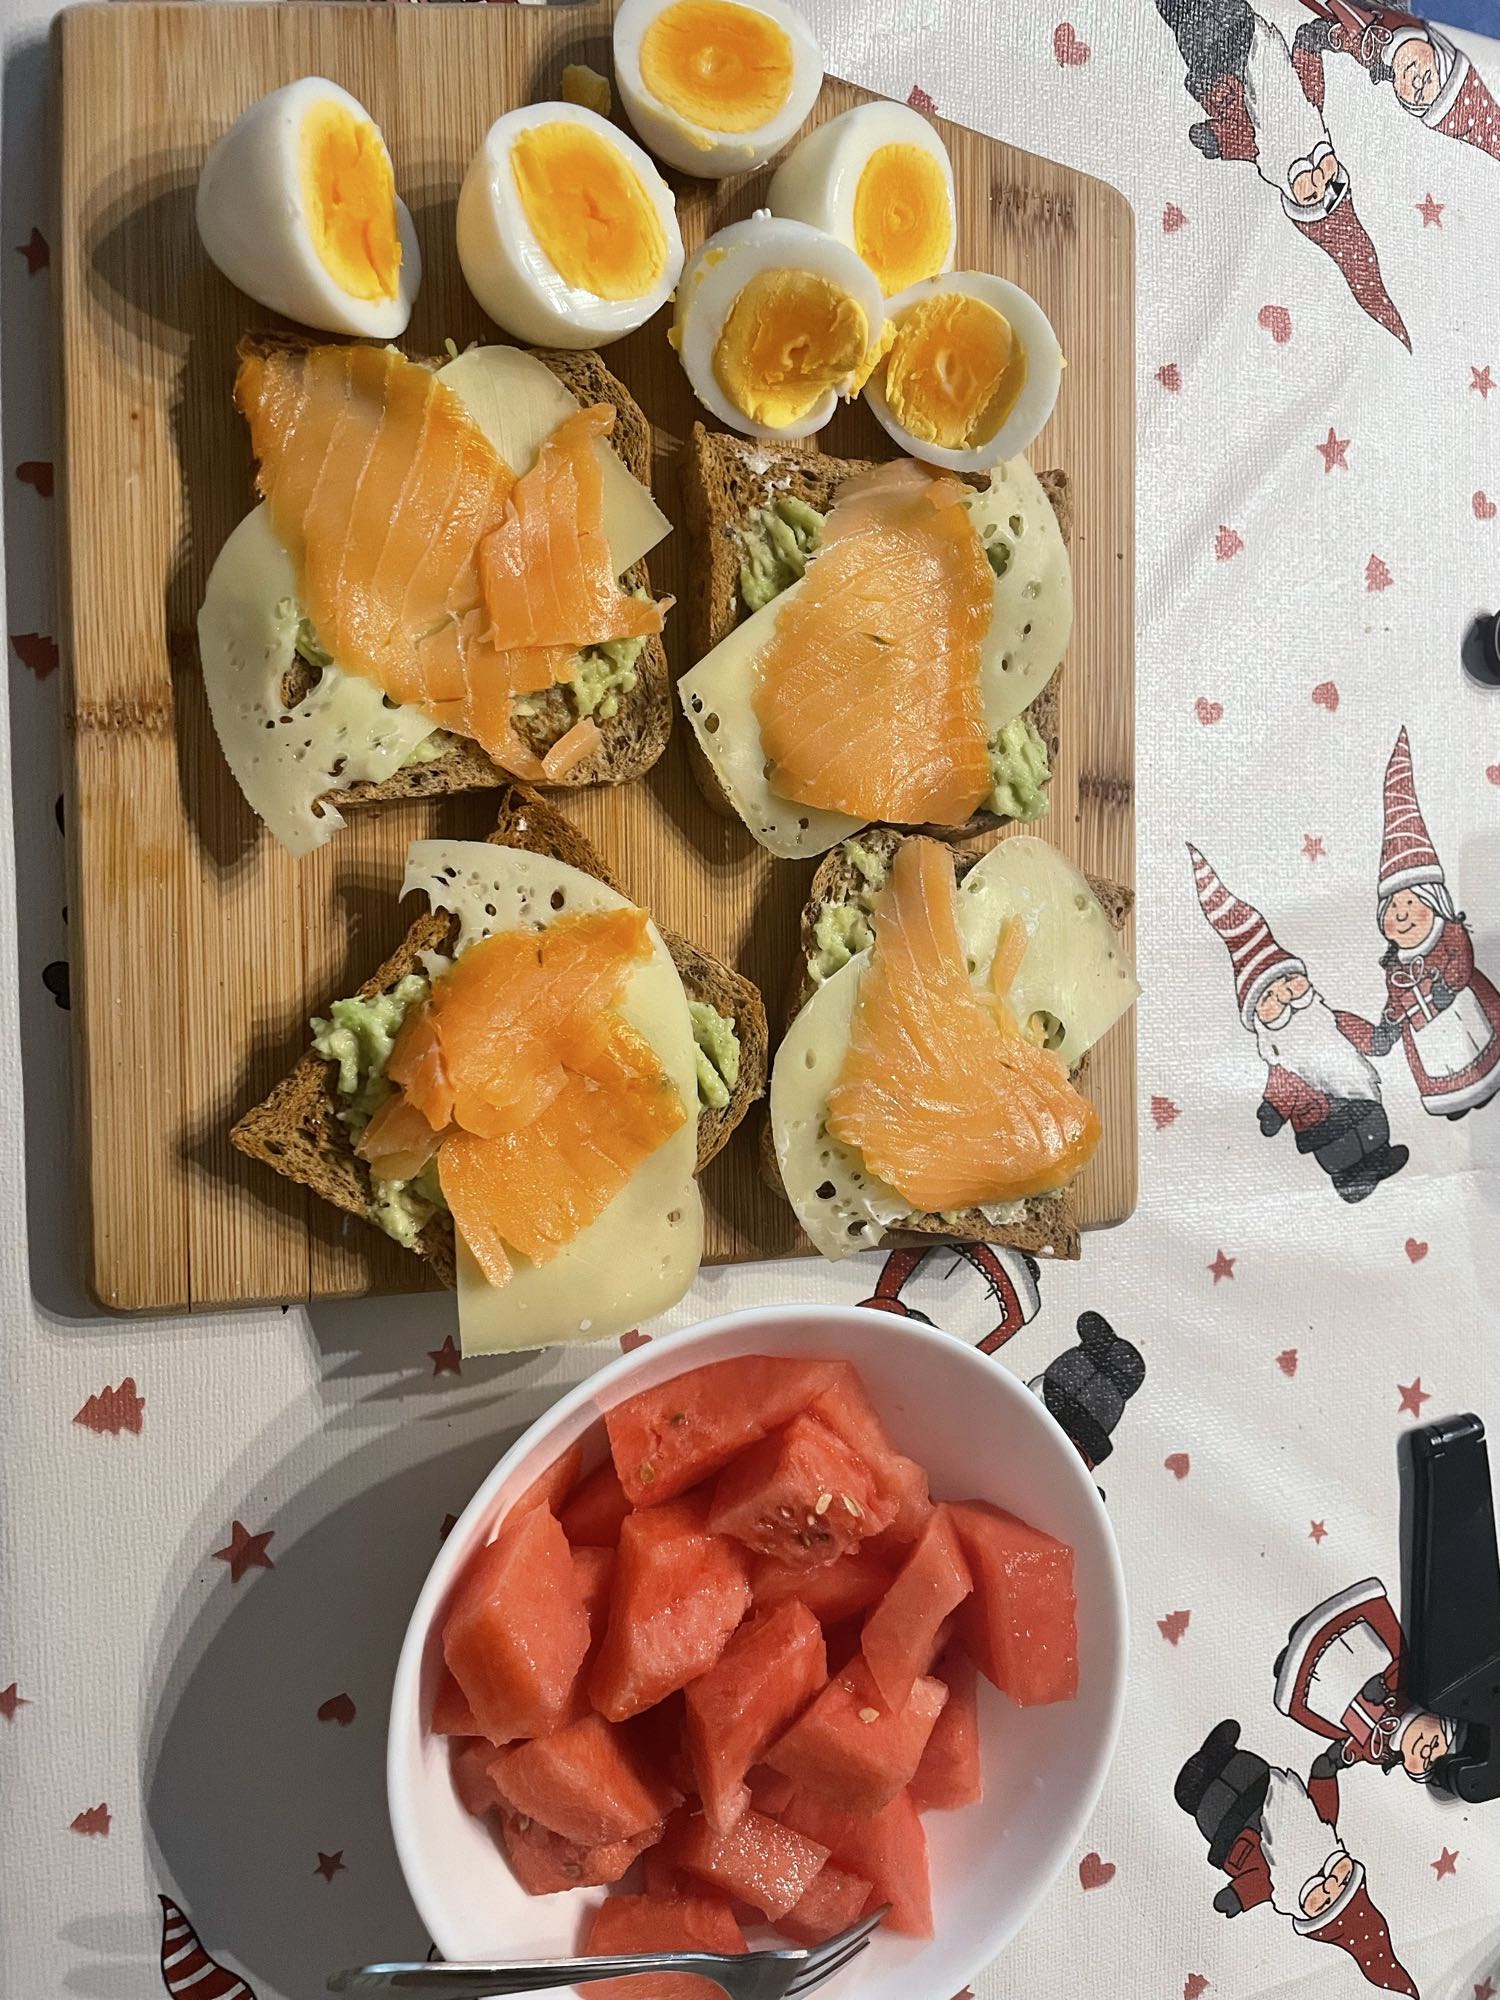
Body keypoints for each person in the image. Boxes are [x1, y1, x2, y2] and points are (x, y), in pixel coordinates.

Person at [1153, 0, 1409, 343]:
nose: (1318, 173)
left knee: (1182, 11)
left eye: (1310, 189)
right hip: (1246, 28)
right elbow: (1306, 41)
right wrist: (1333, 38)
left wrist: (1212, 138)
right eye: (1330, 173)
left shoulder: (1262, 149)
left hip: (1212, 57)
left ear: (1294, 197)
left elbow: (1224, 139)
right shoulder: (1310, 104)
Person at [1189, 845, 1407, 1200]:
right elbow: (1281, 1086)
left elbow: (1361, 1035)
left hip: (1364, 1107)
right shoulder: (1281, 1055)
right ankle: (1349, 1179)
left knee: (1372, 1133)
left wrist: (1380, 1037)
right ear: (1259, 1020)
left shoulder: (1329, 1020)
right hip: (1324, 1126)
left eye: (1289, 982)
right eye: (1270, 998)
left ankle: (1380, 1158)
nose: (1287, 997)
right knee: (1341, 1154)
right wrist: (1272, 1110)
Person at [1367, 729, 1500, 1120]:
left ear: (1433, 901)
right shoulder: (1396, 966)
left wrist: (1445, 988)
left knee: (1480, 1042)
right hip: (1427, 1031)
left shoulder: (1450, 935)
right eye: (1393, 909)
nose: (1403, 915)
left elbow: (1460, 962)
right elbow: (1395, 996)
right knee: (1443, 1066)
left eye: (1410, 902)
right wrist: (1392, 1017)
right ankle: (1452, 1098)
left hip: (1462, 1006)